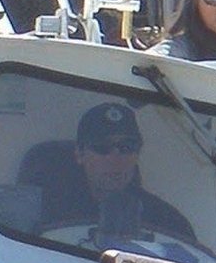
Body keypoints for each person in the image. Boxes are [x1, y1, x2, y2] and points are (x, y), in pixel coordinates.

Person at [38, 101, 196, 242]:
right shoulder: (48, 213)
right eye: (102, 147)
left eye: (126, 148)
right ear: (79, 154)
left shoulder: (168, 223)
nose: (115, 158)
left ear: (137, 153)